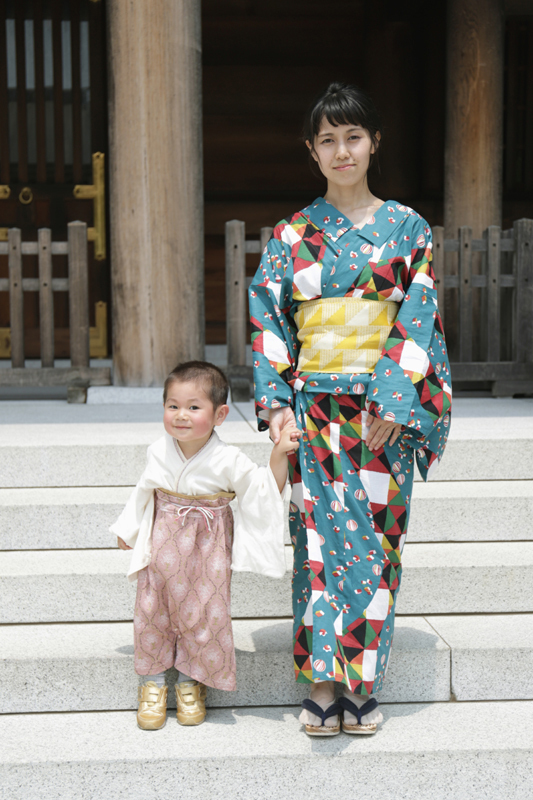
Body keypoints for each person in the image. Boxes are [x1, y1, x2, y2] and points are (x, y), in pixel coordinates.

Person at [249, 83, 452, 737]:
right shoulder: (292, 234)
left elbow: (418, 315)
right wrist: (276, 403)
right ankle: (324, 684)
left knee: (373, 549)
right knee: (313, 548)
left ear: (373, 144)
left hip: (378, 415)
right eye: (328, 140)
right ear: (311, 151)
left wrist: (398, 397)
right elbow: (269, 321)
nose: (342, 151)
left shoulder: (407, 229)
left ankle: (363, 685)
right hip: (312, 413)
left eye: (353, 137)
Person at [111, 361, 298, 730]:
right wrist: (129, 529)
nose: (181, 415)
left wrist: (278, 455)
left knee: (204, 610)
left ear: (220, 414)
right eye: (173, 406)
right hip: (162, 540)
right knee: (152, 608)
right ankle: (151, 685)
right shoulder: (158, 450)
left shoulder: (227, 458)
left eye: (194, 407)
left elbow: (262, 491)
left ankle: (190, 682)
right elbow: (144, 490)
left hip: (207, 545)